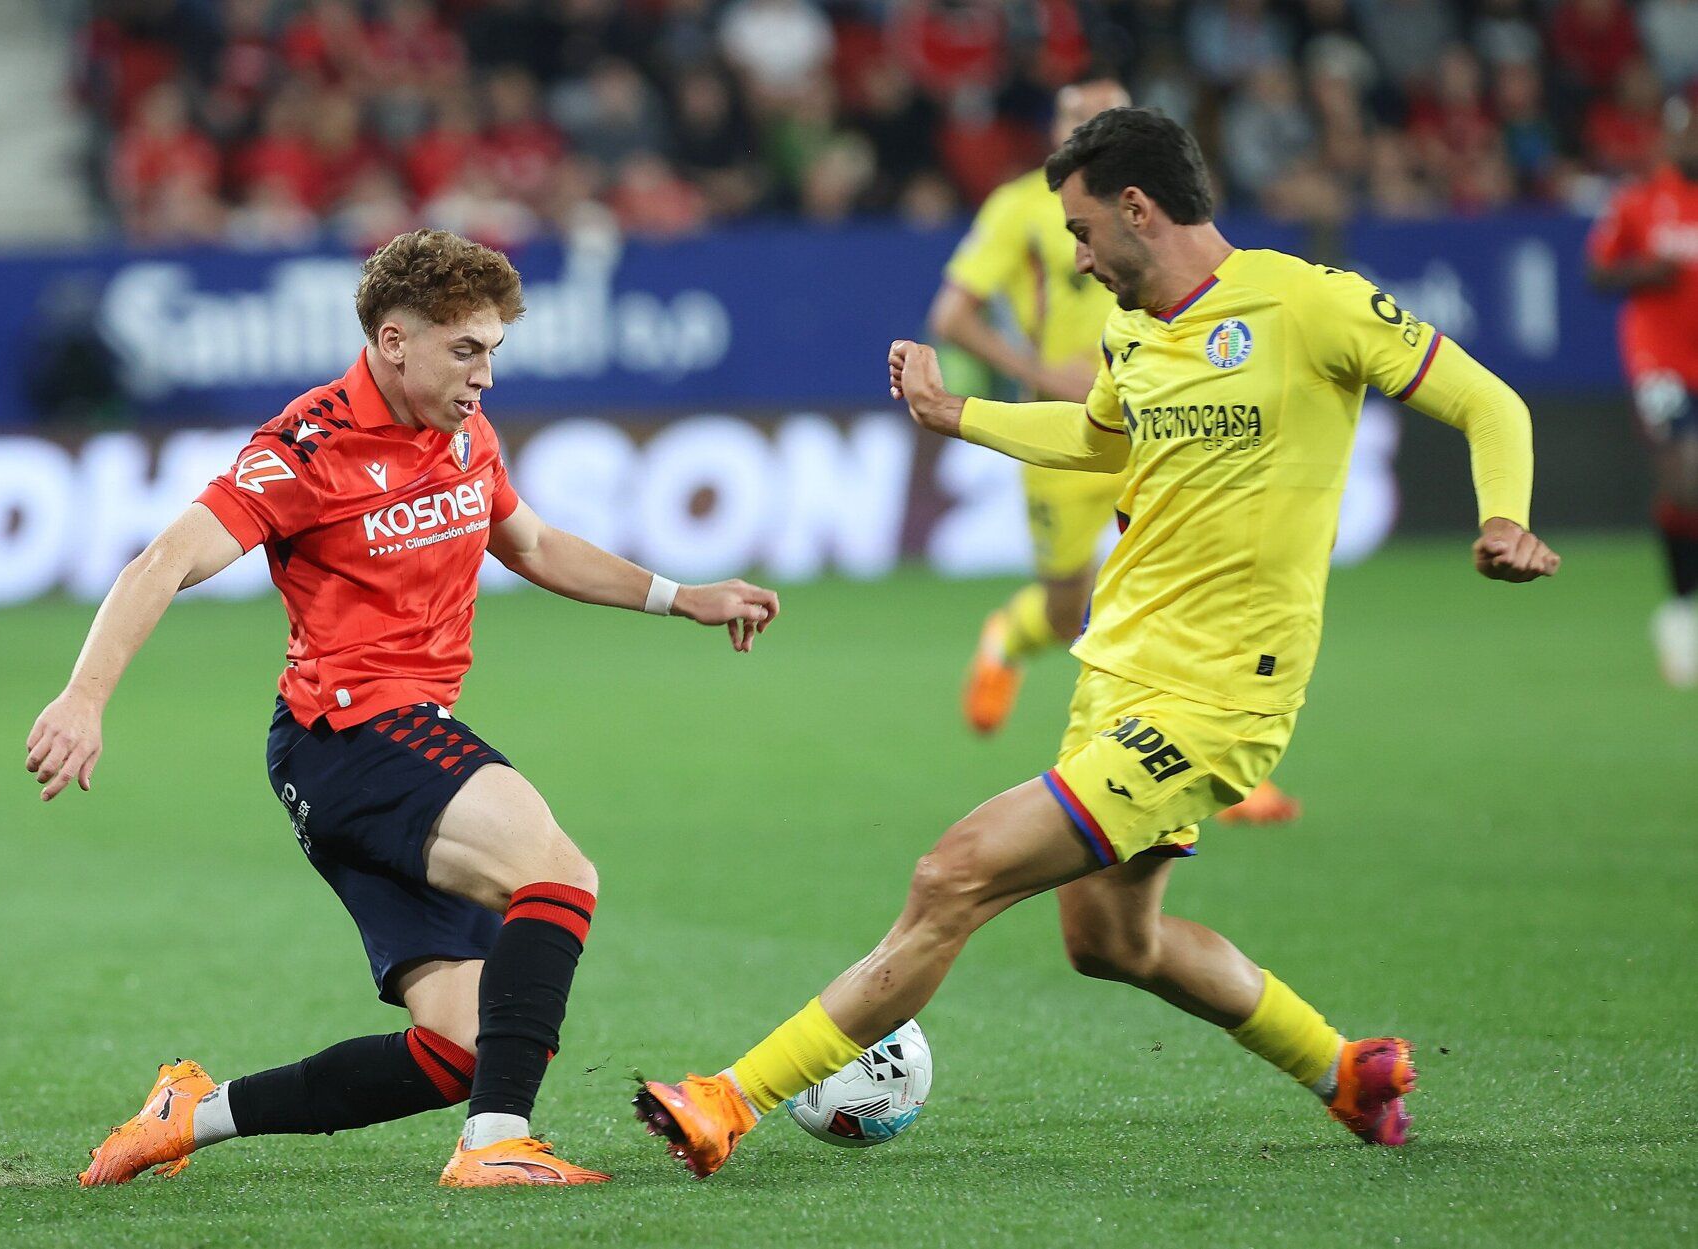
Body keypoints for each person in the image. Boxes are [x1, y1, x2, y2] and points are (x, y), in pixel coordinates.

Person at [633, 108, 1558, 1179]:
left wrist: (1503, 517)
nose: (1073, 258)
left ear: (1137, 208)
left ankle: (727, 1101)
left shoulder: (1310, 304)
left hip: (1217, 696)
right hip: (1115, 674)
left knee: (954, 874)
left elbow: (1491, 401)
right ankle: (1345, 1071)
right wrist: (955, 413)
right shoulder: (1133, 332)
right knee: (1111, 942)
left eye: (1079, 232)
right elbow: (1096, 435)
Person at [27, 229, 780, 1188]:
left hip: (373, 746)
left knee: (461, 1046)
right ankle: (494, 1141)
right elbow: (163, 559)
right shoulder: (308, 445)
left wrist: (682, 596)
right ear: (393, 341)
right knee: (559, 875)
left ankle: (188, 1115)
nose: (485, 377)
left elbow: (535, 545)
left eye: (493, 352)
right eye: (466, 350)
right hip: (349, 733)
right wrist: (84, 698)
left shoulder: (464, 434)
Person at [929, 77, 1299, 822]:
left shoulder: (1154, 204)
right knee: (1071, 609)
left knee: (1193, 589)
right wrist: (1038, 373)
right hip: (1070, 426)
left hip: (1164, 421)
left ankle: (1221, 757)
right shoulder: (1019, 210)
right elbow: (951, 314)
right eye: (1076, 119)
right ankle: (1011, 632)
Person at [1587, 96, 1698, 688]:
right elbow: (1597, 272)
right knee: (1685, 472)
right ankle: (1680, 609)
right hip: (1660, 362)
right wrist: (1645, 272)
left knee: (1688, 487)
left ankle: (1683, 609)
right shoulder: (1639, 201)